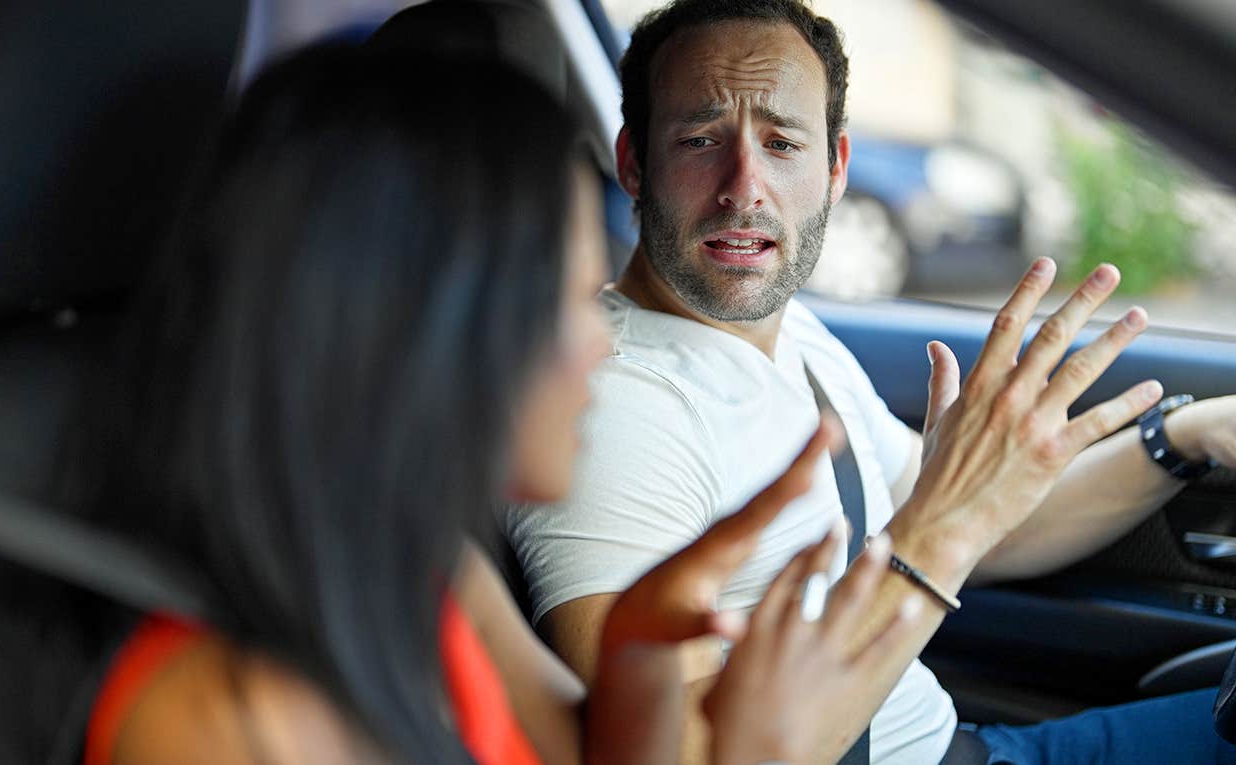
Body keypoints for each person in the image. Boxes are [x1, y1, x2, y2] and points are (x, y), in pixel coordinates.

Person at [47, 42, 933, 765]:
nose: (598, 337)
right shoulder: (216, 722)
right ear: (419, 326)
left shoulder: (427, 573)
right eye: (563, 300)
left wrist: (639, 666)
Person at [502, 0, 1236, 763]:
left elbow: (975, 520)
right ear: (633, 161)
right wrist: (937, 538)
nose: (743, 185)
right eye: (700, 138)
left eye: (783, 142)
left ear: (836, 168)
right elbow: (661, 752)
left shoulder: (793, 334)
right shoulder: (610, 405)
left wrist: (1186, 436)